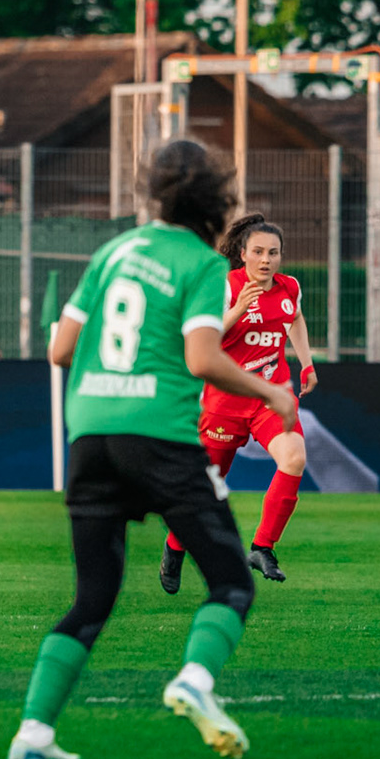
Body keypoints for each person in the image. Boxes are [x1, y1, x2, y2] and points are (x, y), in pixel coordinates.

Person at [7, 141, 298, 759]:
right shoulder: (197, 264)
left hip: (90, 437)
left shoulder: (112, 251)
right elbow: (201, 357)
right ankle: (194, 680)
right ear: (216, 202)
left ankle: (32, 734)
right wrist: (272, 389)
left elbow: (60, 350)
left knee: (93, 597)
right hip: (159, 438)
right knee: (230, 583)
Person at [159, 212, 318, 594]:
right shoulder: (225, 287)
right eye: (259, 252)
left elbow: (293, 318)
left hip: (270, 398)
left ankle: (263, 547)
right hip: (226, 402)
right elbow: (203, 339)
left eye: (274, 253)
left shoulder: (288, 287)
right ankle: (175, 546)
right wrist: (237, 308)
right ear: (243, 253)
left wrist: (307, 362)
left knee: (294, 457)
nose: (266, 260)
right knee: (207, 487)